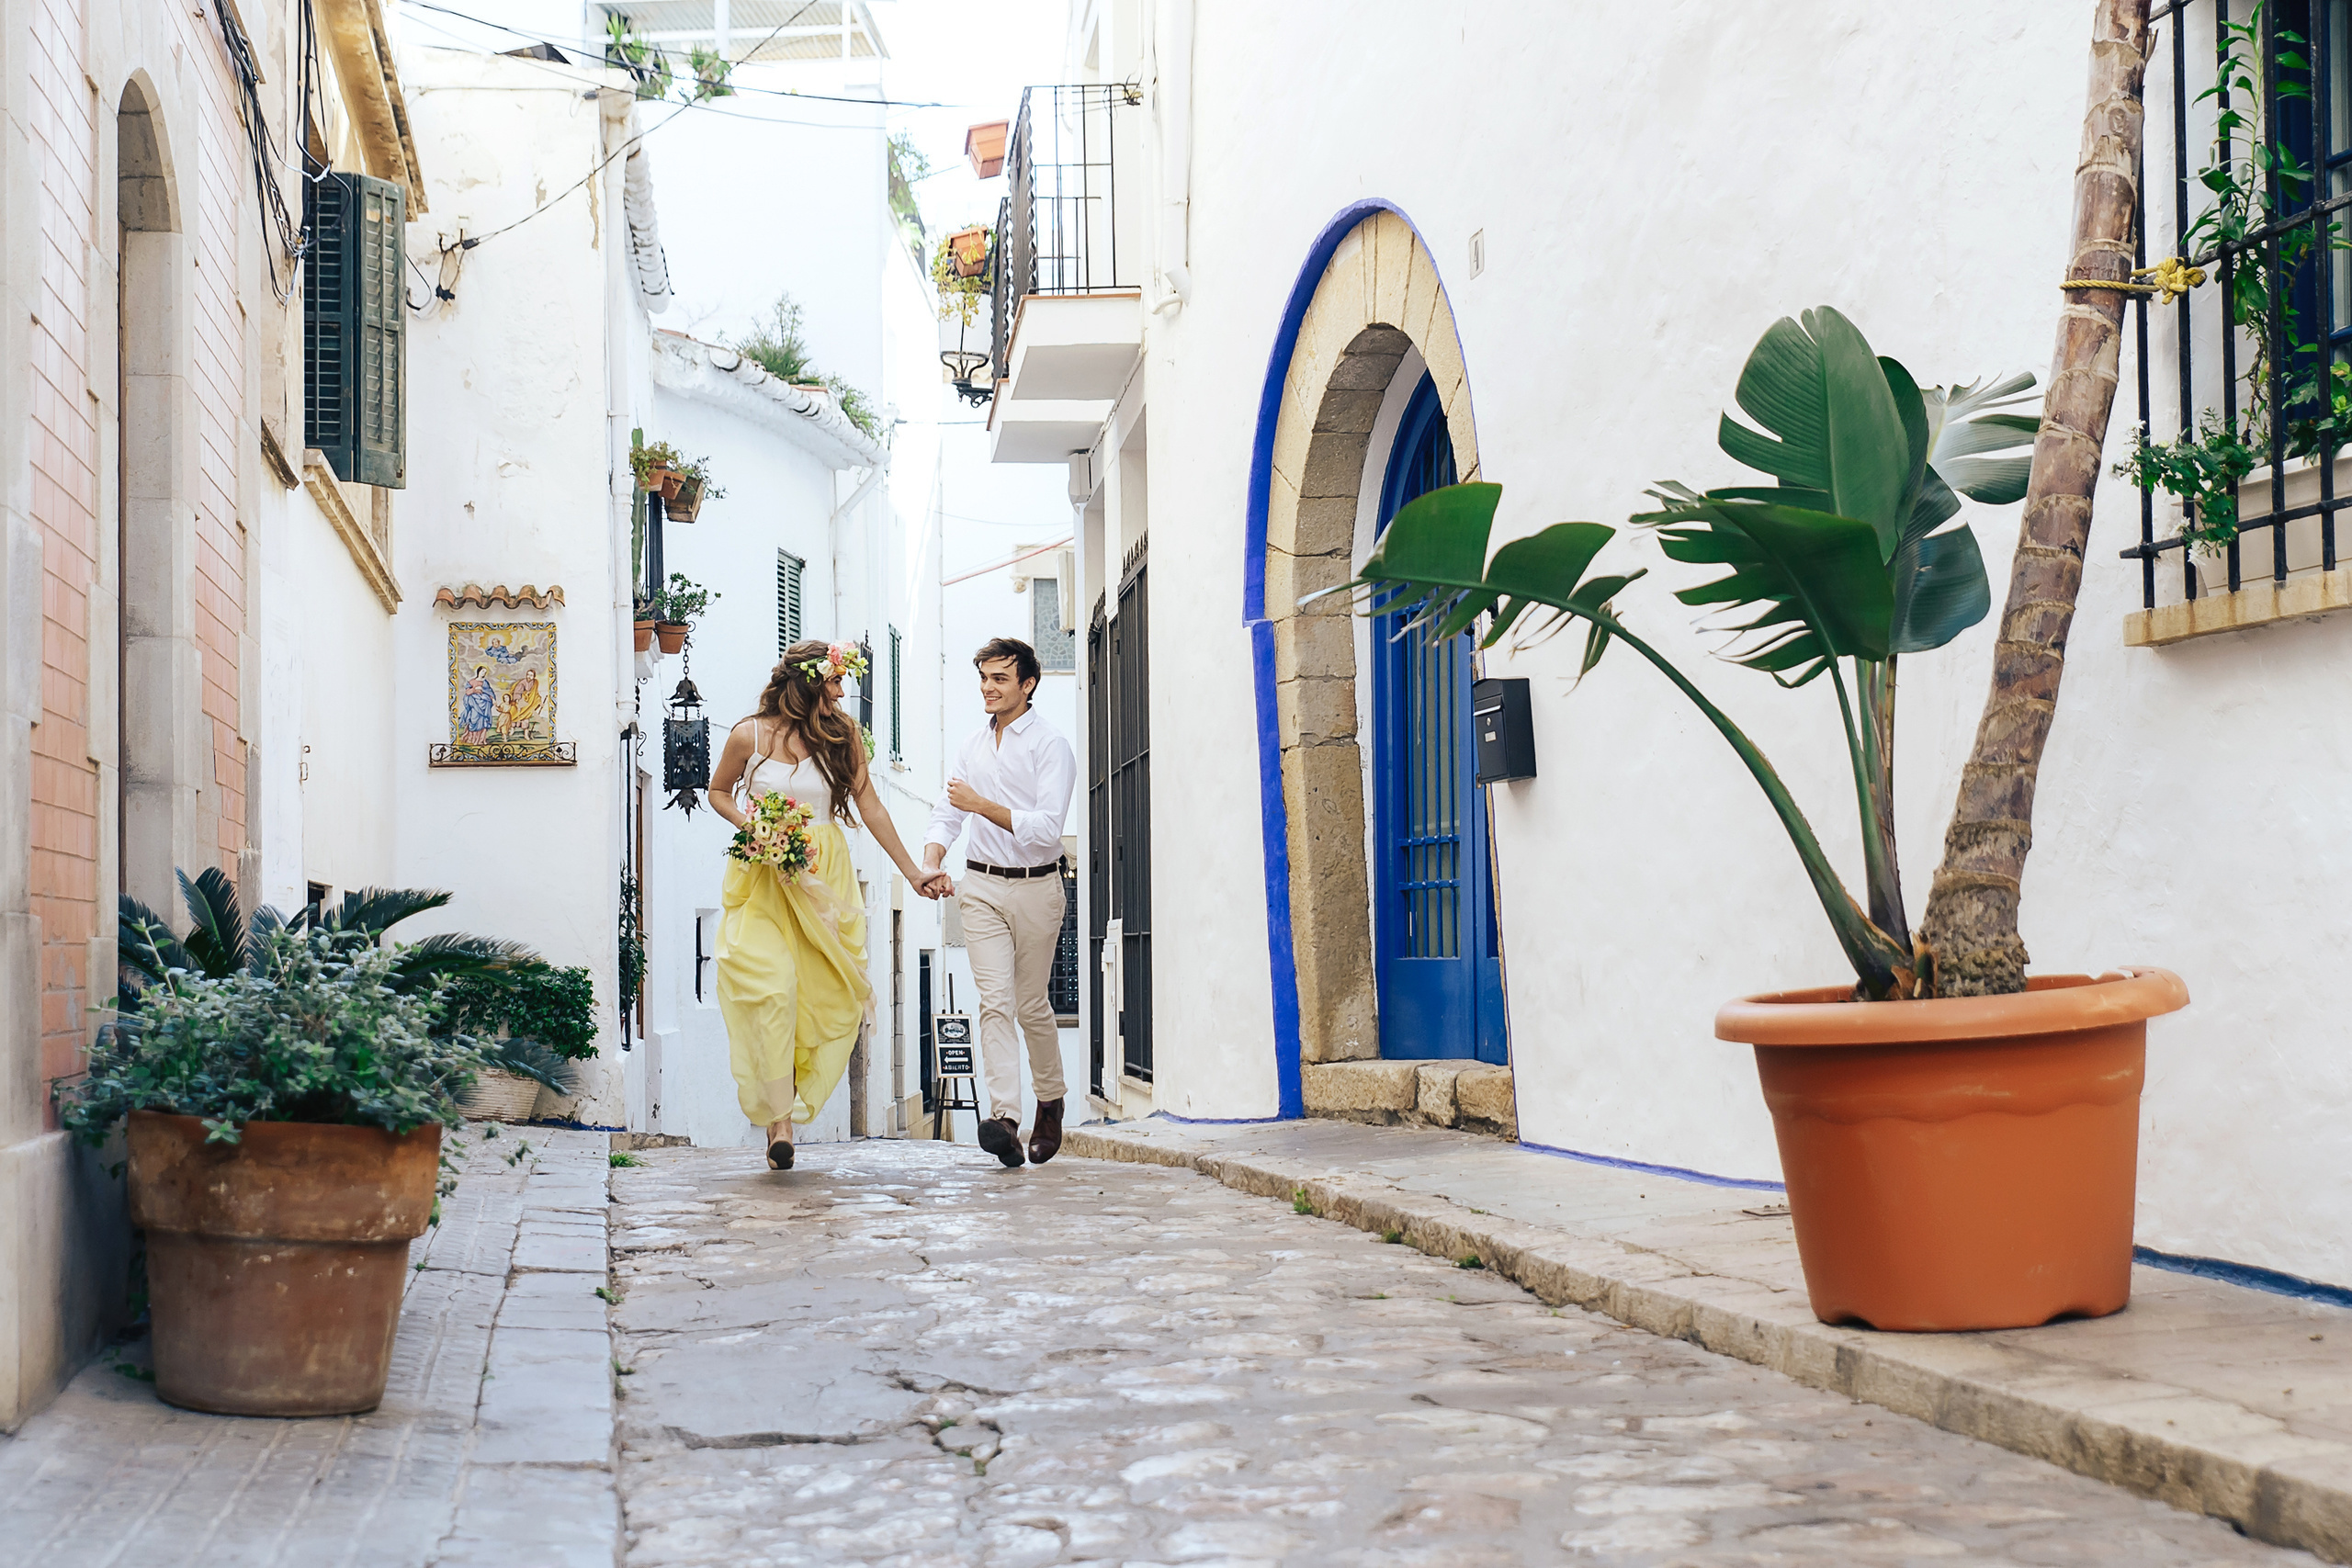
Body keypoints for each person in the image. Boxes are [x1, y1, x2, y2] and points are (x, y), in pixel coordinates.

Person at [708, 640, 950, 1170]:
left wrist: (913, 873)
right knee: (774, 988)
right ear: (805, 683)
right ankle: (779, 1120)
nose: (842, 693)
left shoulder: (844, 737)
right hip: (765, 878)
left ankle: (785, 1109)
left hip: (823, 875)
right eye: (834, 683)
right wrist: (758, 828)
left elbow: (872, 807)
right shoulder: (747, 734)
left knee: (816, 999)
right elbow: (719, 792)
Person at [922, 637, 1079, 1168]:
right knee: (993, 1001)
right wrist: (932, 857)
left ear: (1027, 684)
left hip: (1037, 885)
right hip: (981, 886)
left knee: (1031, 1003)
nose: (988, 689)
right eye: (984, 679)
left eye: (1000, 679)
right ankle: (1006, 1118)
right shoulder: (971, 745)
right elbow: (948, 813)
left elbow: (1045, 829)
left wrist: (982, 805)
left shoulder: (1050, 745)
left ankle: (1050, 1103)